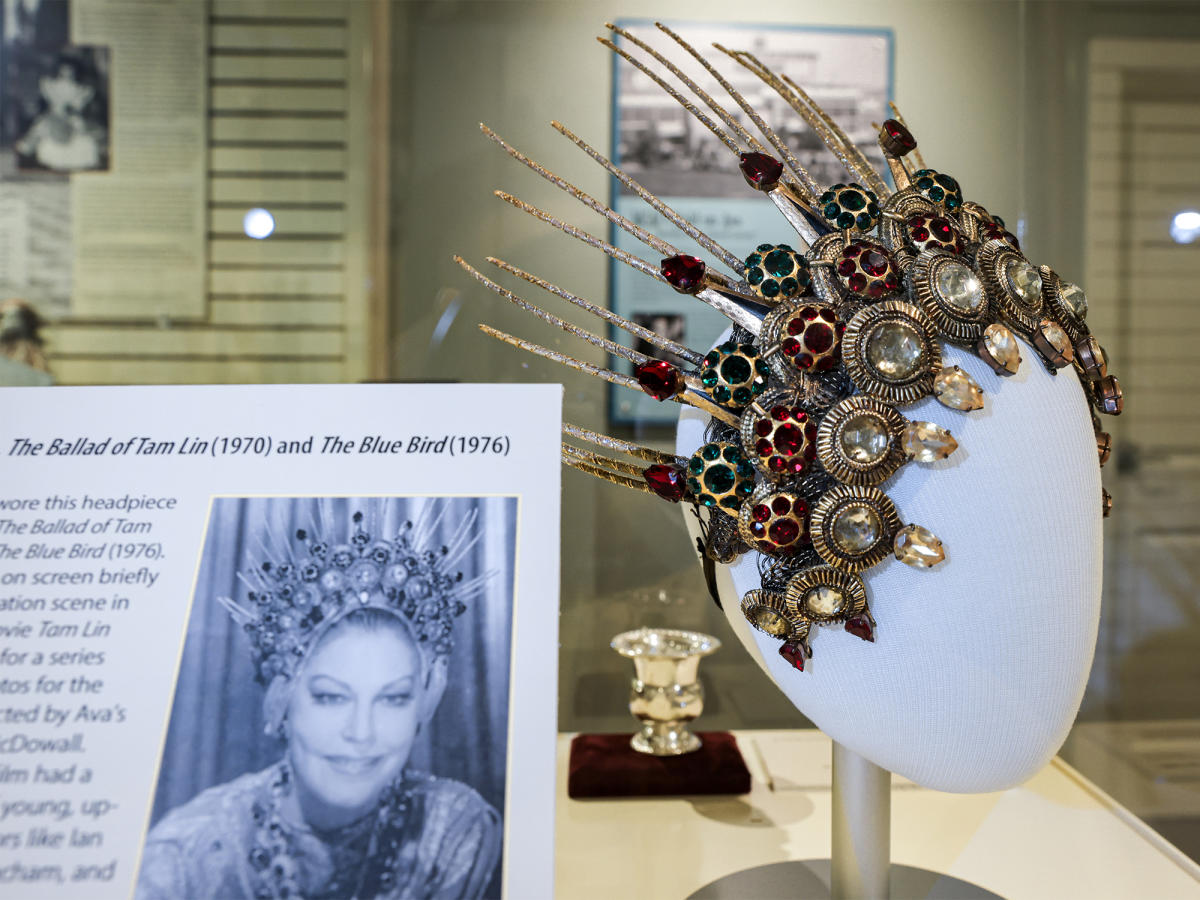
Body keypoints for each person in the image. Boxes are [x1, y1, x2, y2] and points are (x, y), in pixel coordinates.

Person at [137, 509, 502, 899]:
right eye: (330, 697)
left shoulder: (452, 826)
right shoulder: (185, 854)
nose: (362, 732)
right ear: (282, 704)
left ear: (422, 705)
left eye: (393, 698)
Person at [15, 53, 107, 172]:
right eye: (64, 71)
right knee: (43, 125)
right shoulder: (50, 85)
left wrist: (73, 111)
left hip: (72, 117)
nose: (67, 74)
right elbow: (50, 103)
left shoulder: (81, 89)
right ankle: (28, 149)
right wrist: (57, 110)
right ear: (59, 70)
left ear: (75, 72)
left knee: (82, 128)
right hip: (54, 116)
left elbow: (78, 107)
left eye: (70, 71)